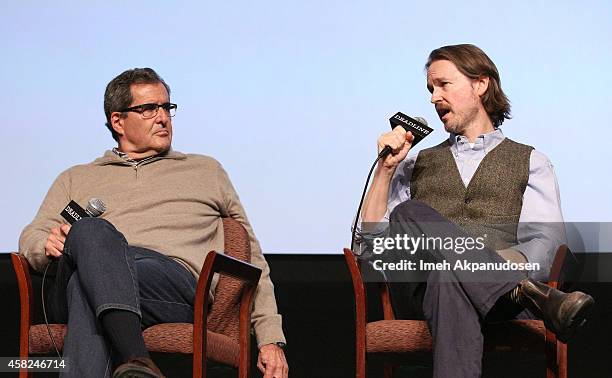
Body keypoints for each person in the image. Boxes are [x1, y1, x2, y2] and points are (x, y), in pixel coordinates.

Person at [19, 68, 288, 378]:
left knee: (86, 284)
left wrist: (270, 338)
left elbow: (252, 256)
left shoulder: (205, 171)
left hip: (169, 287)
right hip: (88, 273)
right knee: (91, 233)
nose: (162, 117)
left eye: (166, 107)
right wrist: (44, 244)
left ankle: (135, 357)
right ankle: (137, 358)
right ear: (117, 121)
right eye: (148, 109)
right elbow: (32, 234)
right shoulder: (75, 178)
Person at [357, 44, 593, 377]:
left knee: (449, 274)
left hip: (503, 305)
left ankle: (512, 285)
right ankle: (524, 288)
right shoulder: (412, 165)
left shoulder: (531, 161)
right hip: (424, 294)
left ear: (480, 84)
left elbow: (546, 242)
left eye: (443, 84)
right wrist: (385, 170)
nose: (433, 97)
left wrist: (483, 265)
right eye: (430, 88)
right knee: (409, 214)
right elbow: (369, 248)